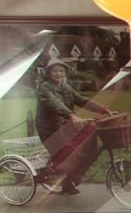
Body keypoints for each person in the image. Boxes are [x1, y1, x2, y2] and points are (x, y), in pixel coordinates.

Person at [33, 60, 113, 195]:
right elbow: (55, 103)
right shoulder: (44, 88)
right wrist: (72, 116)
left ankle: (69, 181)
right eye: (54, 71)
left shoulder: (66, 87)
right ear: (48, 73)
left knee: (81, 150)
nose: (58, 73)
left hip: (64, 125)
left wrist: (103, 110)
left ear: (65, 73)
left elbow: (82, 100)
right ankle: (46, 175)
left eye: (61, 71)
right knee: (68, 153)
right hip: (49, 129)